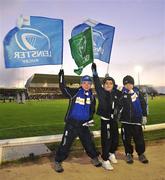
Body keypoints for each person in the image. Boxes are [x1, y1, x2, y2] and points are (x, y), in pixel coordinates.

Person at [54, 69, 102, 173]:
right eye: (84, 83)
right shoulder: (75, 92)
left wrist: (89, 120)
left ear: (91, 85)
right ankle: (58, 161)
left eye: (88, 83)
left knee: (89, 143)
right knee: (65, 144)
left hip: (84, 125)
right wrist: (61, 76)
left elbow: (92, 110)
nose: (86, 85)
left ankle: (94, 157)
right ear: (81, 84)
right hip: (71, 124)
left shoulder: (92, 97)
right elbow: (63, 88)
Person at [91, 63, 121, 170]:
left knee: (116, 139)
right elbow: (96, 82)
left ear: (113, 85)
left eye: (111, 83)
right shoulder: (101, 92)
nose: (108, 85)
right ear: (103, 85)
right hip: (105, 120)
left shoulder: (117, 93)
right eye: (106, 83)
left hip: (114, 120)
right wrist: (94, 71)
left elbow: (124, 98)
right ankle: (105, 159)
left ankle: (111, 153)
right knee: (106, 140)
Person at [118, 75, 149, 164]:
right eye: (126, 84)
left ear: (133, 84)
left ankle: (141, 154)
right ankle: (128, 154)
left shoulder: (137, 92)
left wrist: (144, 116)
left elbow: (143, 104)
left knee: (139, 139)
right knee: (126, 140)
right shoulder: (121, 93)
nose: (128, 86)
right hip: (125, 121)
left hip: (136, 121)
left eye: (130, 83)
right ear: (124, 85)